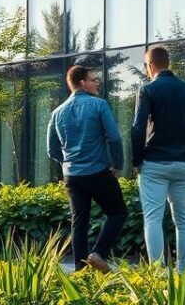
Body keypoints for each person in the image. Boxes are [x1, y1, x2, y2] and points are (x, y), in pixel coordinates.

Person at [131, 45, 185, 270]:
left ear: (150, 65)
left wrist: (137, 161)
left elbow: (138, 128)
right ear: (168, 63)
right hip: (184, 164)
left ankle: (158, 274)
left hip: (154, 163)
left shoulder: (147, 90)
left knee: (153, 219)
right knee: (183, 220)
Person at [47, 64, 127, 273]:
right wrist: (117, 166)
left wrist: (67, 163)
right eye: (93, 79)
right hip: (98, 171)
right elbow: (115, 138)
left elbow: (52, 149)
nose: (96, 82)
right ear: (82, 82)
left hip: (72, 176)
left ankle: (80, 271)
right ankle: (98, 253)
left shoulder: (57, 113)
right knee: (118, 212)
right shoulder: (99, 105)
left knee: (79, 221)